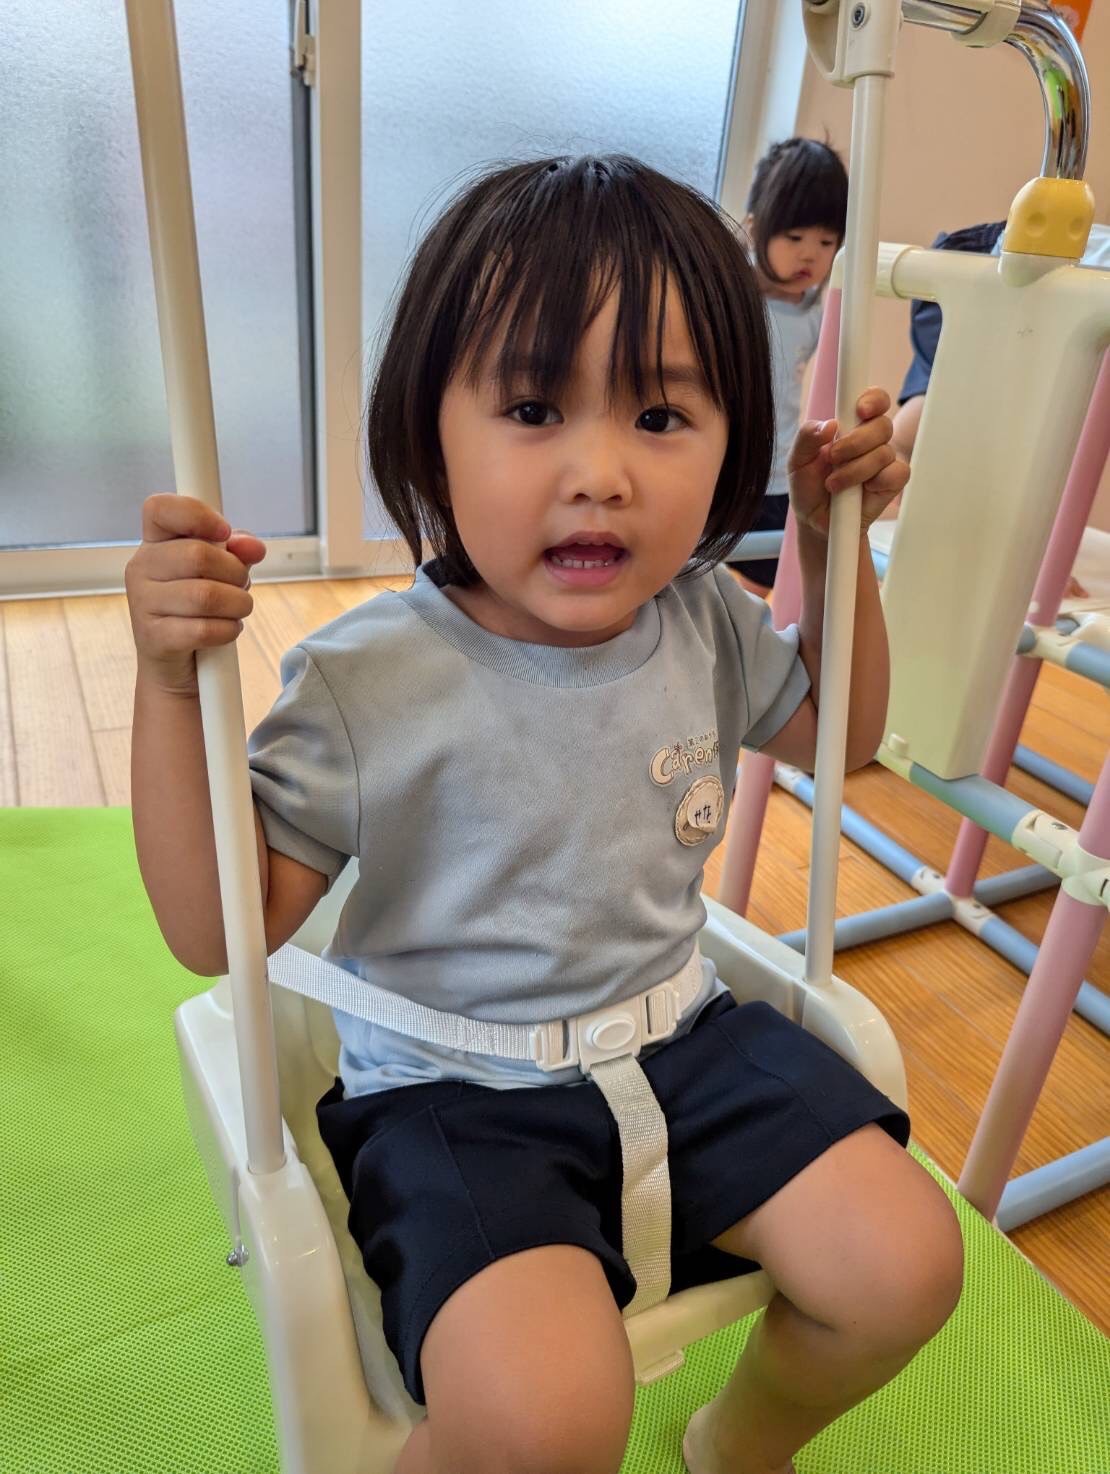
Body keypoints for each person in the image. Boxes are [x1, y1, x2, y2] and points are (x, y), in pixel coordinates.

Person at [125, 155, 962, 1474]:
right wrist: (172, 684)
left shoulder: (705, 620)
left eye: (660, 415)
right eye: (531, 408)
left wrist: (826, 533)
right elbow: (211, 926)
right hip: (456, 1094)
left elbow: (840, 736)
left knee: (908, 1264)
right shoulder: (368, 680)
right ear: (430, 432)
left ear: (730, 446)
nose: (600, 472)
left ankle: (736, 1445)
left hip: (684, 1042)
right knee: (543, 1420)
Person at [727, 137, 848, 595]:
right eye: (794, 238)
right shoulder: (729, 291)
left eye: (826, 241)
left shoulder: (817, 309)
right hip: (722, 466)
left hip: (776, 475)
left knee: (763, 579)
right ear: (755, 226)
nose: (809, 254)